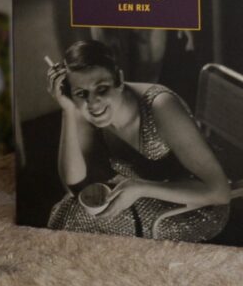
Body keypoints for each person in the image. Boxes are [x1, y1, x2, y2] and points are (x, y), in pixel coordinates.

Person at [44, 39, 230, 242]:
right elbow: (75, 187)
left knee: (75, 220)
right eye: (81, 93)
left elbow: (219, 192)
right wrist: (68, 111)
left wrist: (140, 188)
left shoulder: (161, 106)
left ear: (120, 80)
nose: (93, 102)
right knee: (68, 211)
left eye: (102, 88)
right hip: (140, 194)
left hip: (194, 209)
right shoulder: (83, 107)